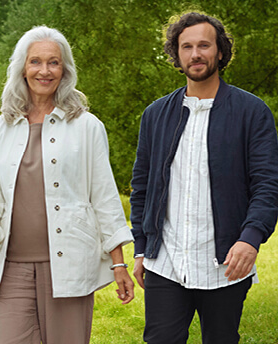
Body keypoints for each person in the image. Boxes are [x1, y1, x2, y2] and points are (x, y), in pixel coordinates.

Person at [0, 26, 135, 344]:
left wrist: (118, 262)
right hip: (13, 268)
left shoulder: (87, 126)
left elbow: (103, 196)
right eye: (35, 62)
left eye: (54, 63)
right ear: (22, 67)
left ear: (65, 70)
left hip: (70, 264)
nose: (44, 71)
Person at [130, 12, 278, 344]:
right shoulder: (155, 115)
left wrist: (250, 238)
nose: (195, 54)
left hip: (225, 264)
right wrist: (141, 248)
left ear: (220, 52)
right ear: (177, 55)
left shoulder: (252, 112)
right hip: (165, 261)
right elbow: (141, 187)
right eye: (186, 47)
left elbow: (268, 184)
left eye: (204, 45)